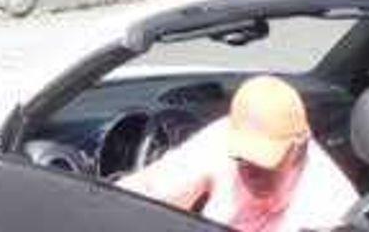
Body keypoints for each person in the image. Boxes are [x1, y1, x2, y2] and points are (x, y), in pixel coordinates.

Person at [118, 74, 356, 232]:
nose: (250, 173)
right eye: (241, 159)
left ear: (298, 149)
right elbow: (150, 189)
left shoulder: (329, 208)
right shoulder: (223, 137)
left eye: (264, 163)